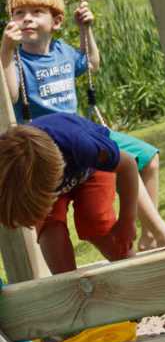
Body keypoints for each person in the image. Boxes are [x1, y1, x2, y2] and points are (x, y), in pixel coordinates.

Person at [1, 0, 165, 249]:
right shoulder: (17, 61)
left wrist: (86, 30)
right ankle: (161, 234)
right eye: (19, 13)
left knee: (148, 158)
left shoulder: (62, 51)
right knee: (55, 217)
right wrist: (5, 49)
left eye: (37, 11)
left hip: (79, 132)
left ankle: (150, 235)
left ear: (56, 22)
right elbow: (11, 94)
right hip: (46, 145)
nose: (26, 18)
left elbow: (91, 63)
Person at [0, 111, 137, 273]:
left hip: (91, 170)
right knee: (49, 225)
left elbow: (128, 165)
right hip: (37, 179)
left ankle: (131, 269)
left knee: (95, 219)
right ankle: (67, 282)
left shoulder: (82, 144)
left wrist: (127, 221)